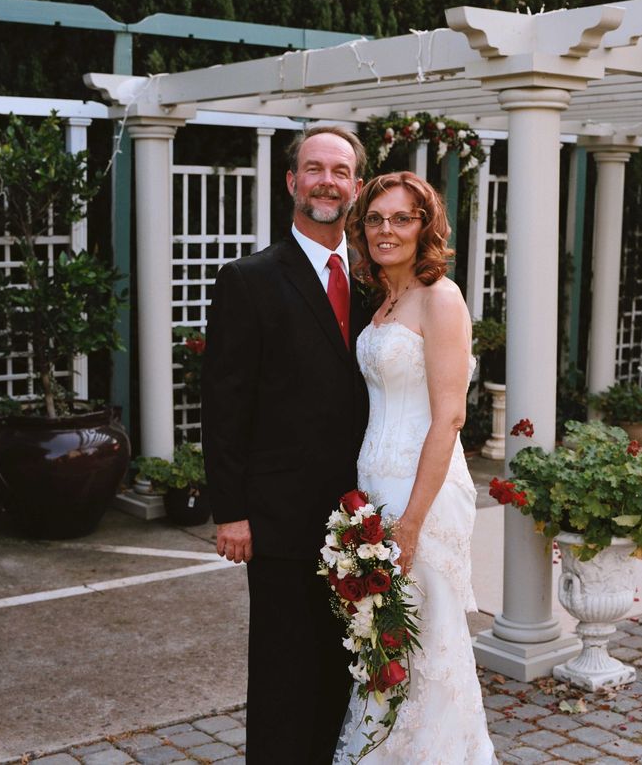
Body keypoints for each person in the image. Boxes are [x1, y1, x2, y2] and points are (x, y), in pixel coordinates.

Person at [201, 125, 372, 764]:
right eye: (315, 169)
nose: (327, 182)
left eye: (340, 171)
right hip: (278, 520)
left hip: (363, 515)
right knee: (282, 678)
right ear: (292, 181)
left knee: (345, 670)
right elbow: (223, 404)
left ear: (356, 187)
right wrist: (231, 512)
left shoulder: (377, 281)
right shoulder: (248, 279)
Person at [335, 171, 497, 764]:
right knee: (384, 635)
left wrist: (410, 523)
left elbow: (449, 417)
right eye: (375, 219)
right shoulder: (384, 299)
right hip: (374, 486)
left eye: (401, 218)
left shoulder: (440, 297)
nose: (386, 230)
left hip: (422, 492)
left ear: (425, 227)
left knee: (429, 638)